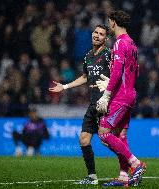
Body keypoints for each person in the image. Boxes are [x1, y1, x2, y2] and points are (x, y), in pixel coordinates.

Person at [49, 25, 111, 185]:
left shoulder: (109, 55)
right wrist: (65, 86)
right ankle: (92, 177)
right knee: (84, 139)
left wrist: (109, 93)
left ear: (106, 38)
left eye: (101, 34)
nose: (97, 36)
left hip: (106, 104)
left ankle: (132, 166)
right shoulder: (88, 56)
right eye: (96, 32)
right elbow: (85, 77)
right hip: (93, 104)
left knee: (108, 141)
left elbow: (118, 76)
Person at [95, 10, 146, 187]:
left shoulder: (119, 43)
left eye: (109, 22)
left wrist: (108, 93)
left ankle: (136, 164)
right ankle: (124, 177)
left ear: (114, 23)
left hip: (121, 95)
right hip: (130, 93)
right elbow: (136, 71)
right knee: (121, 135)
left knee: (104, 133)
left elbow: (117, 71)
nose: (109, 25)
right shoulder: (132, 44)